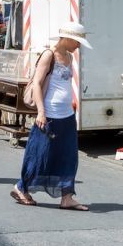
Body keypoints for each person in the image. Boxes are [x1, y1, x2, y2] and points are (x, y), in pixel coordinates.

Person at [11, 22, 92, 211]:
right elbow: (38, 84)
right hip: (50, 114)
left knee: (68, 155)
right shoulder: (49, 55)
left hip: (66, 114)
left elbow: (63, 85)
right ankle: (21, 188)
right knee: (40, 153)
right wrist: (41, 112)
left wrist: (71, 101)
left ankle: (67, 197)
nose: (78, 46)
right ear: (68, 38)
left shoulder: (70, 57)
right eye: (78, 41)